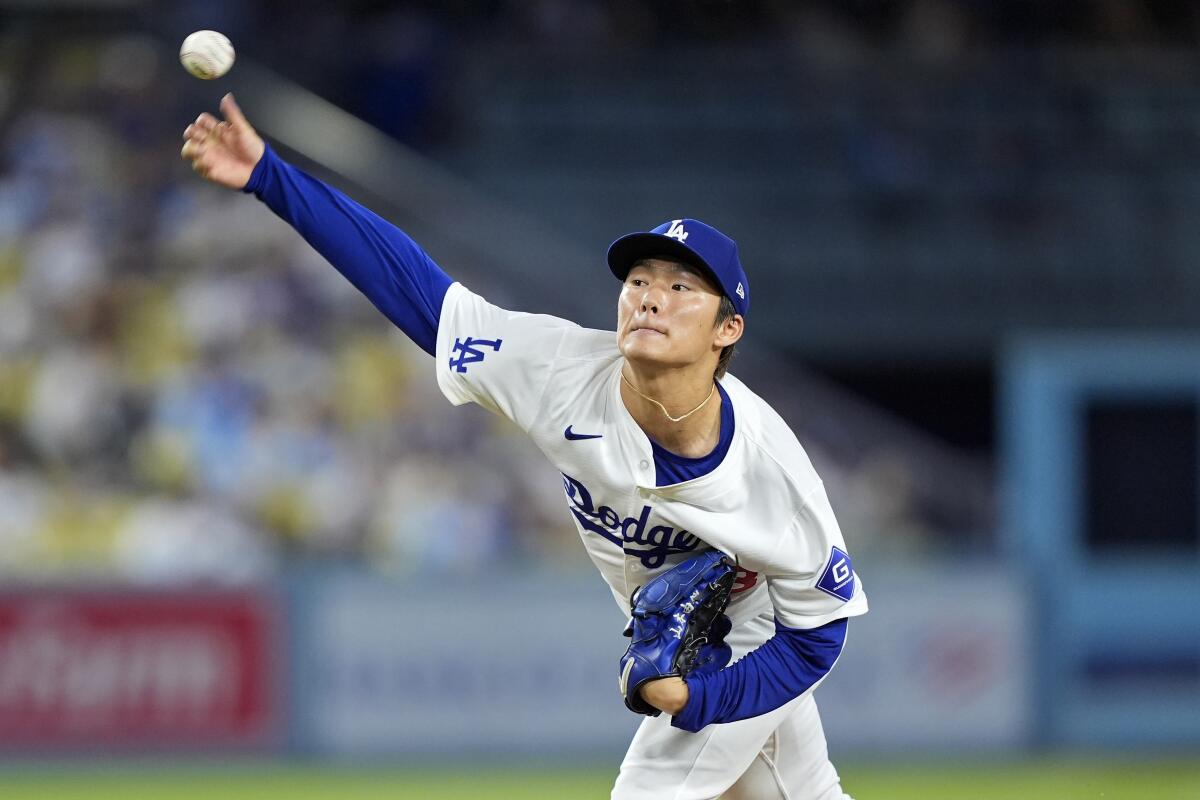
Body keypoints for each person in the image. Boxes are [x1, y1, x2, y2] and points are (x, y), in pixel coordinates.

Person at [181, 94, 868, 800]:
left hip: (748, 639)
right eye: (639, 280)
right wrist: (270, 175)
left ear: (728, 329)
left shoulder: (770, 472)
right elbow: (419, 291)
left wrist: (697, 701)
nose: (650, 298)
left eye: (682, 286)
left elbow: (818, 634)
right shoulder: (558, 370)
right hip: (689, 641)